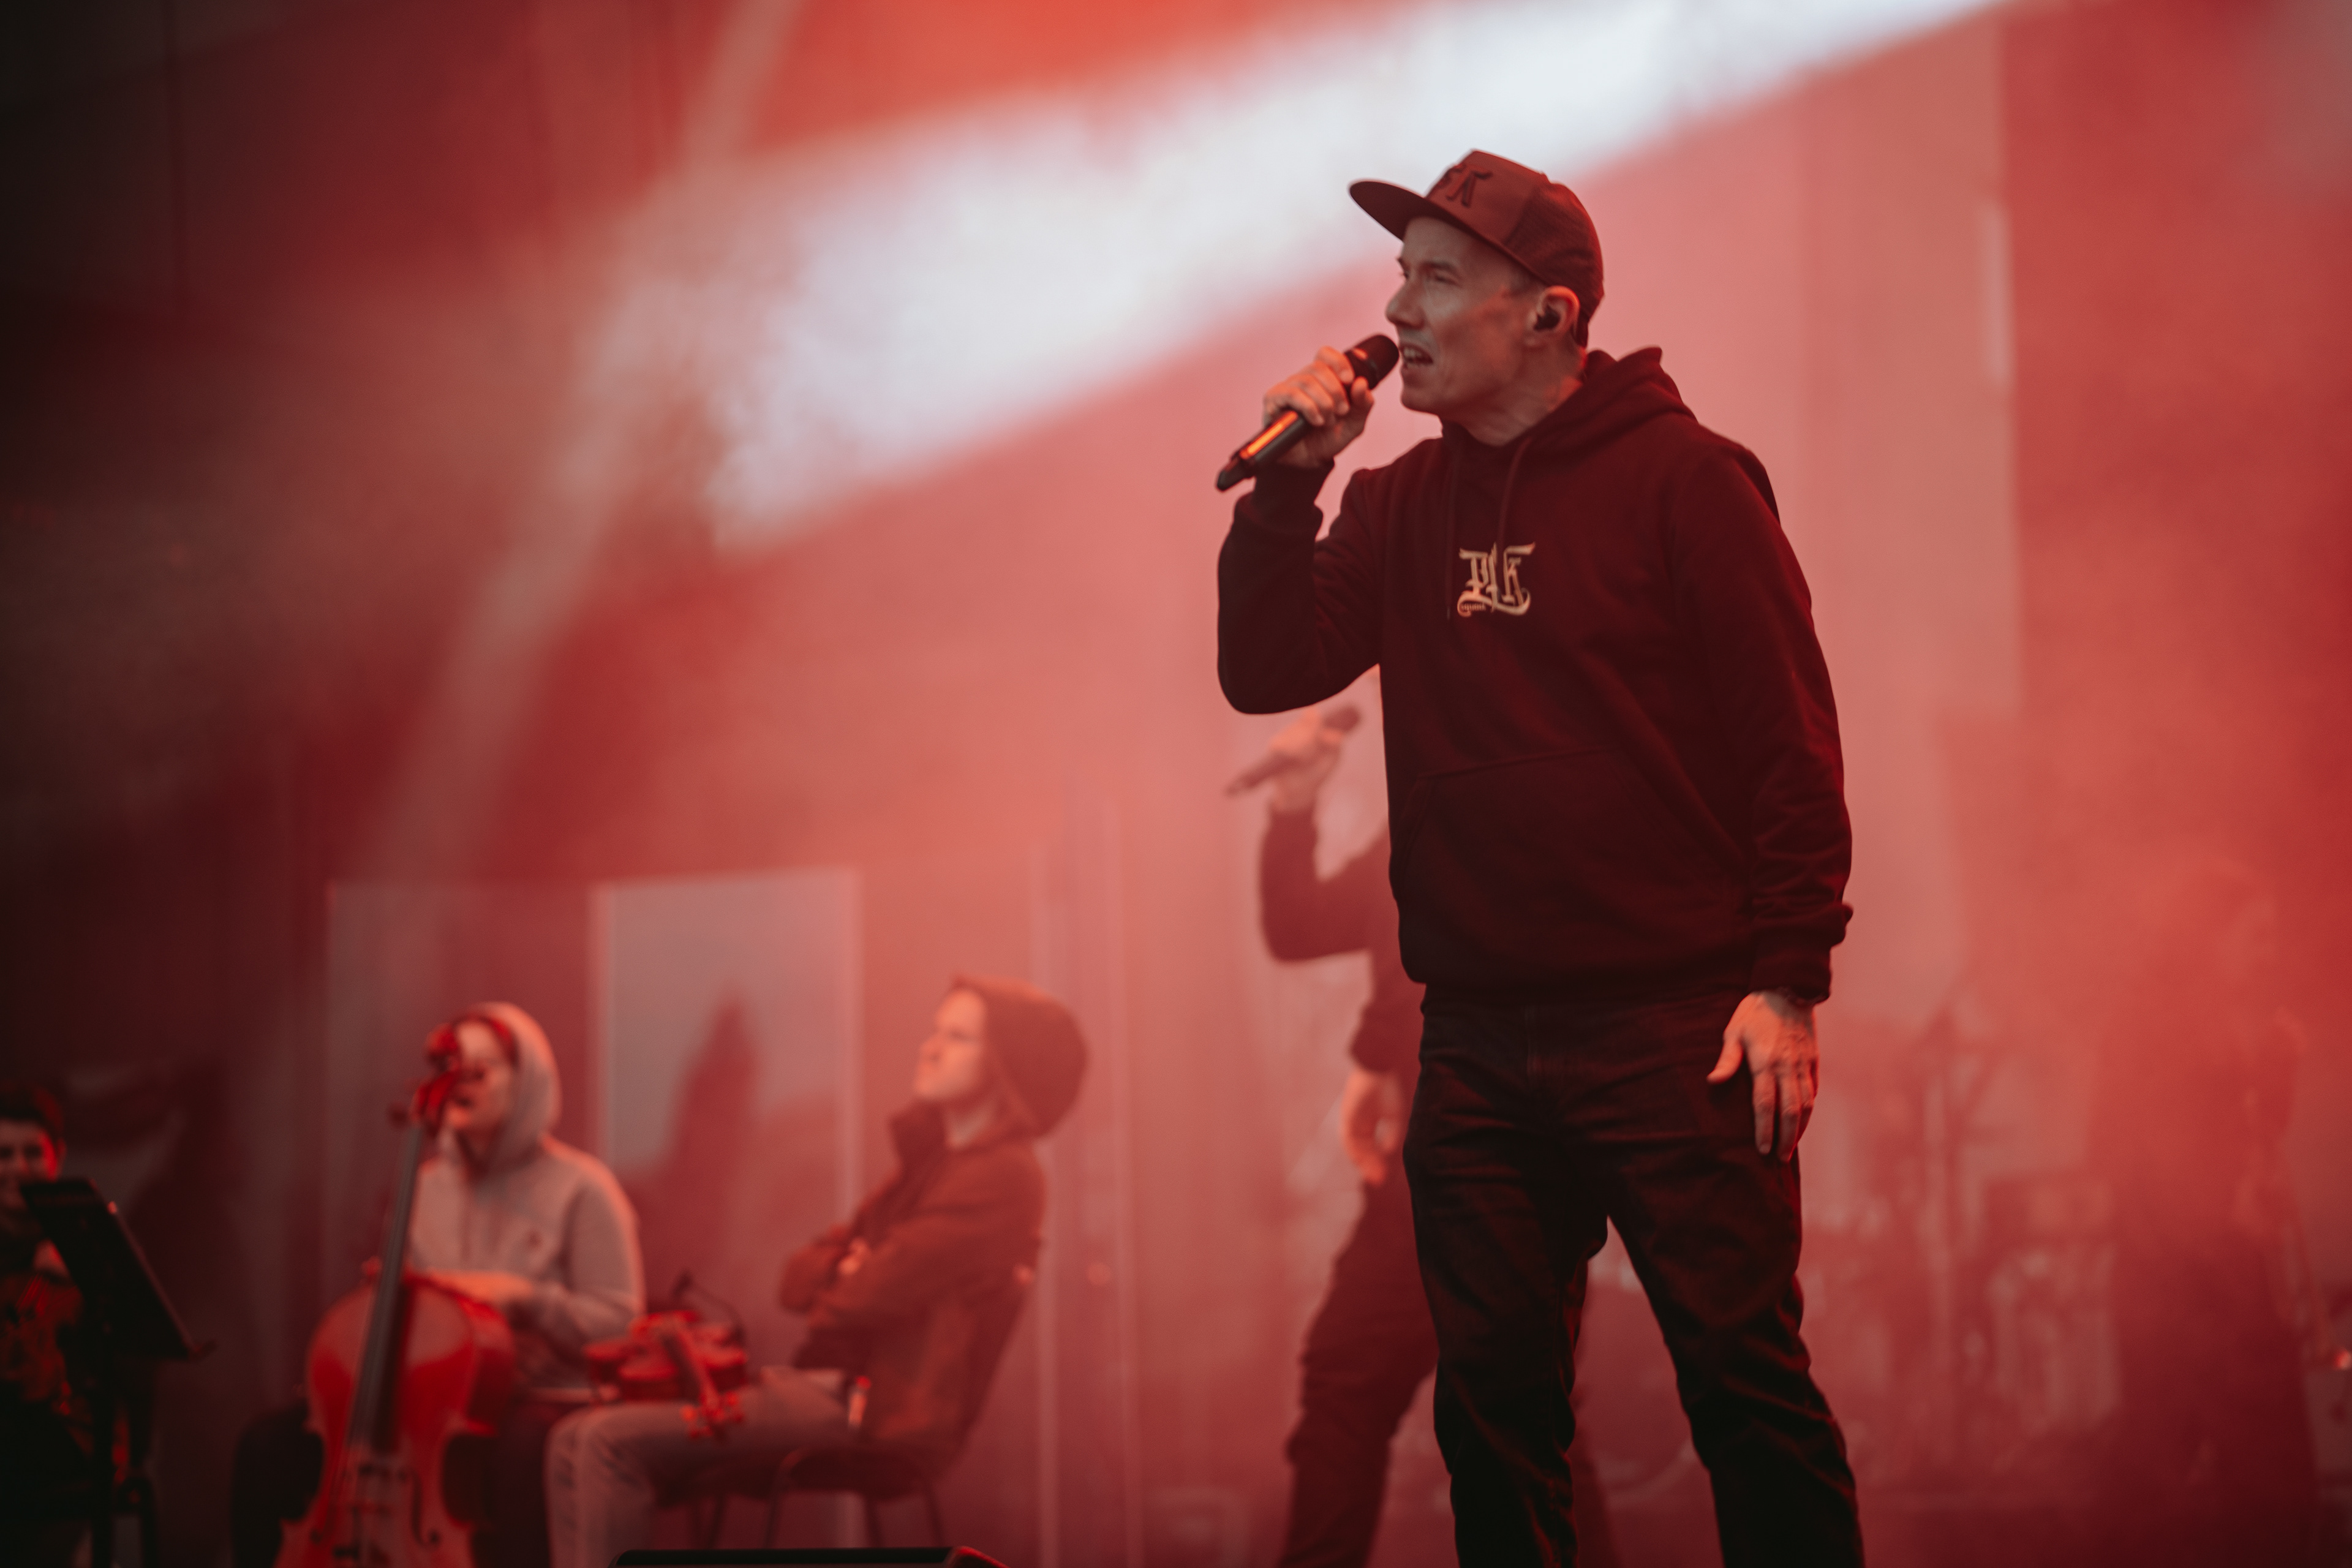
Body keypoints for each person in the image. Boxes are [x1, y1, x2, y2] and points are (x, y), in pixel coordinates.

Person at [1217, 149, 1861, 1566]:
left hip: (1676, 1024)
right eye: (1400, 276)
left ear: (1548, 315)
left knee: (1744, 1392)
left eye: (1438, 279)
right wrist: (1286, 491)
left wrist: (1787, 979)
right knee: (1493, 1420)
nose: (1398, 311)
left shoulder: (1687, 483)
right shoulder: (1395, 506)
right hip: (1476, 1039)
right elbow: (1265, 668)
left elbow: (1789, 746)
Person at [543, 974, 1088, 1568]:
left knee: (603, 1441)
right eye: (936, 1031)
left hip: (873, 1408)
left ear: (1004, 1063)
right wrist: (853, 1267)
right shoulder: (926, 1168)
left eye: (958, 1037)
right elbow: (795, 1279)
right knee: (571, 1437)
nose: (930, 1047)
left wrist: (855, 1268)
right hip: (828, 1388)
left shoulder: (1002, 1175)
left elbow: (858, 1297)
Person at [1253, 710, 1622, 1568]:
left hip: (1507, 1133)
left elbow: (1442, 942)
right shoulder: (1417, 809)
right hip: (1433, 1148)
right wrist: (1293, 808)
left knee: (1513, 1406)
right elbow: (1299, 926)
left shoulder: (1517, 772)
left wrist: (1371, 1053)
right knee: (1443, 1392)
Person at [231, 1003, 644, 1568]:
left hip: (538, 1397)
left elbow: (621, 1326)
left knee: (522, 1456)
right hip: (435, 1402)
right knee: (266, 1446)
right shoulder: (424, 1188)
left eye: (480, 1070)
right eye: (452, 1069)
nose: (460, 1084)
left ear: (527, 1083)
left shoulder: (584, 1188)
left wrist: (525, 1297)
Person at [2088, 857, 2321, 1567]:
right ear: (2210, 935)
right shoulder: (2162, 1026)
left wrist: (2273, 1081)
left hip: (2204, 1287)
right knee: (2257, 1488)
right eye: (2256, 935)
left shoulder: (2217, 1022)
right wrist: (2226, 1219)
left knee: (2200, 1483)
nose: (2269, 953)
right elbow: (2142, 1162)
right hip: (2190, 1292)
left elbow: (2244, 1150)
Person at [1, 1082, 97, 1567]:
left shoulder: (93, 1246)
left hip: (69, 1437)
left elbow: (136, 1361)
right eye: (3, 1155)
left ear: (59, 1155)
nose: (18, 1168)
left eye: (32, 1153)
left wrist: (88, 1279)